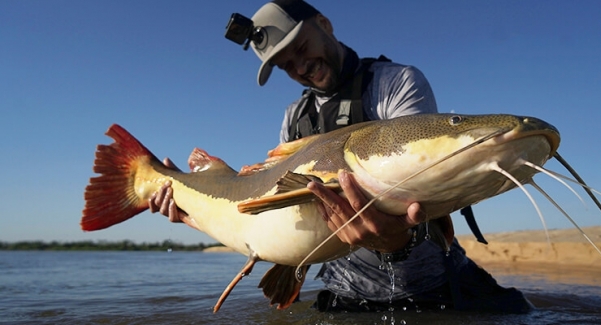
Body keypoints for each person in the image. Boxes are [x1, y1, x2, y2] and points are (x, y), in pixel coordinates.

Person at [150, 0, 532, 313]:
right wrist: (195, 213)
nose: (299, 67)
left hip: (432, 286)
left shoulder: (394, 83)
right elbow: (279, 228)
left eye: (301, 48)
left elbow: (427, 182)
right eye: (286, 66)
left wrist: (397, 239)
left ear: (325, 23)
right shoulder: (292, 119)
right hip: (343, 293)